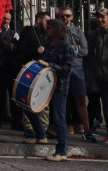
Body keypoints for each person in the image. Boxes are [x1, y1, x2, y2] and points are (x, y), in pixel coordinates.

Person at [23, 18, 74, 161]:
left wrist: (49, 65)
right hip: (45, 84)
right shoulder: (48, 42)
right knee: (28, 105)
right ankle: (40, 134)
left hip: (59, 86)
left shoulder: (66, 45)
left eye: (49, 27)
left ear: (57, 29)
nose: (47, 30)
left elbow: (66, 69)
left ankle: (62, 151)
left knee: (59, 117)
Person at [59, 6, 96, 142]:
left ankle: (87, 130)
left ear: (72, 17)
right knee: (62, 99)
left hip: (77, 68)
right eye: (62, 16)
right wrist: (74, 48)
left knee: (80, 99)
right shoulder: (58, 32)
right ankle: (63, 128)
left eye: (67, 15)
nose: (65, 18)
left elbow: (84, 51)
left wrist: (72, 49)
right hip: (63, 68)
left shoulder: (78, 32)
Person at [16, 12, 50, 135]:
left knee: (44, 99)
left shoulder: (47, 34)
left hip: (43, 70)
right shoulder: (29, 32)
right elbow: (20, 49)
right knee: (29, 99)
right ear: (39, 19)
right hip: (31, 70)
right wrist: (35, 50)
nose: (48, 24)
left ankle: (44, 128)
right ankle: (29, 127)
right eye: (46, 21)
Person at [0, 12, 21, 130]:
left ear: (10, 21)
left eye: (7, 19)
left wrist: (5, 46)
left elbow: (17, 49)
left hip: (10, 68)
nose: (5, 20)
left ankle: (16, 122)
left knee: (13, 95)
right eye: (3, 18)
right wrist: (8, 46)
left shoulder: (14, 33)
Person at [87, 8, 108, 144]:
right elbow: (89, 53)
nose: (100, 20)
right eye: (99, 17)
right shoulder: (94, 35)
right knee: (107, 105)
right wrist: (95, 67)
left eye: (103, 17)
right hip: (102, 75)